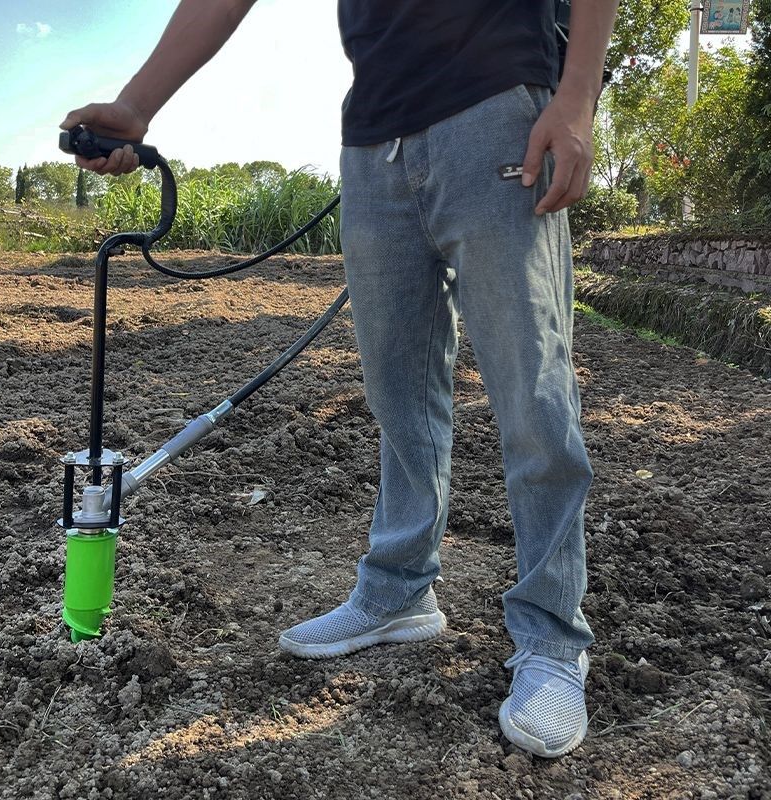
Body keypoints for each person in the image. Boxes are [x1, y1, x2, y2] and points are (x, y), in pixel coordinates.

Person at [62, 0, 618, 759]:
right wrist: (136, 104)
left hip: (499, 115)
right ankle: (397, 590)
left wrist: (576, 96)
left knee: (533, 396)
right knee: (400, 395)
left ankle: (552, 638)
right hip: (371, 143)